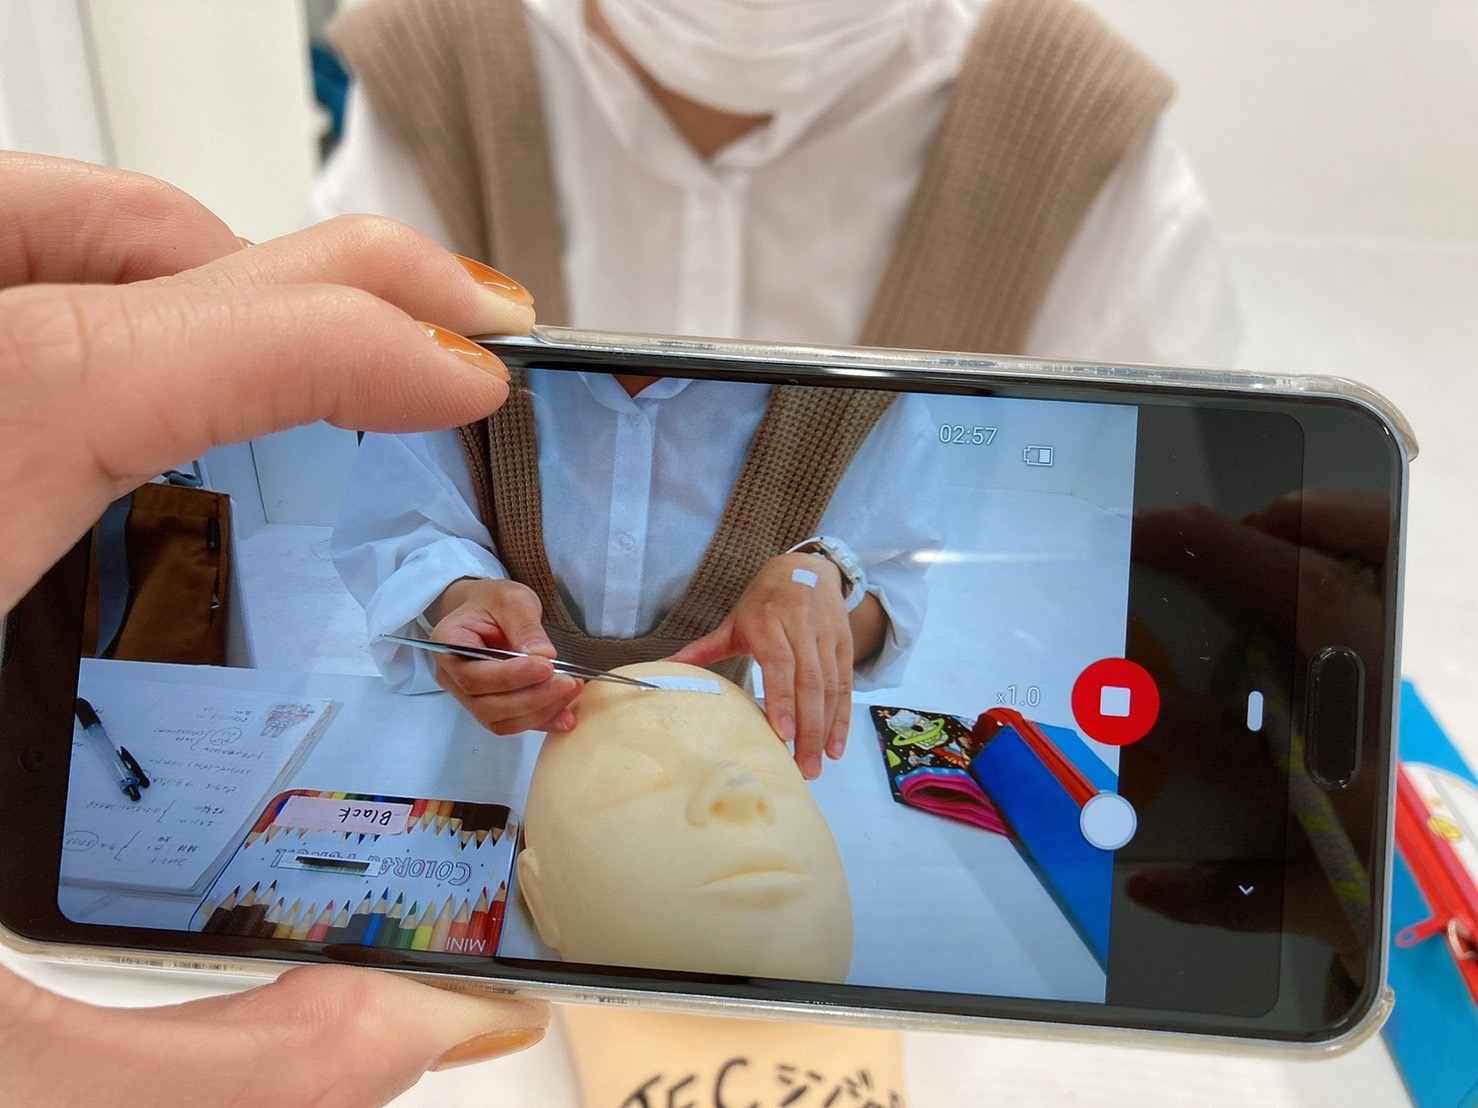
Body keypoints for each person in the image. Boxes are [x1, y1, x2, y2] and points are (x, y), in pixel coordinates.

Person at [317, 0, 1241, 780]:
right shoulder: (435, 76)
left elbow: (894, 566)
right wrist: (458, 595)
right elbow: (404, 492)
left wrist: (821, 589)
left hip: (736, 754)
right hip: (484, 754)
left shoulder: (1074, 137)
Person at [0, 150, 550, 1102]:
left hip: (721, 706)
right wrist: (458, 592)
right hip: (466, 713)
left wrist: (815, 571)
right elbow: (406, 505)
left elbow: (853, 543)